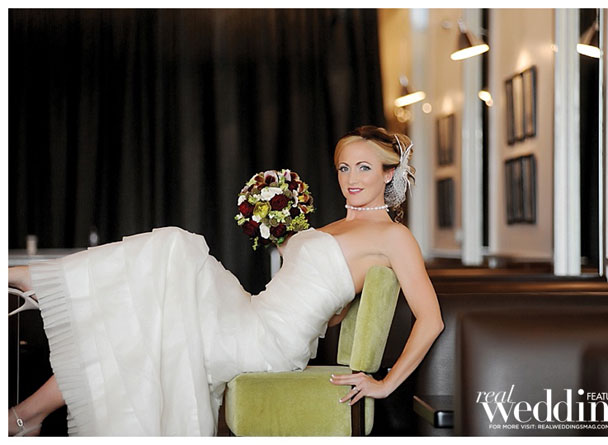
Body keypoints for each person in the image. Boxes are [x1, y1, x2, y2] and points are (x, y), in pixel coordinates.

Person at [8, 125, 444, 436]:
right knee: (140, 314)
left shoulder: (394, 236)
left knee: (175, 247)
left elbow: (431, 319)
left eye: (364, 168)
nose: (351, 179)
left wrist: (384, 384)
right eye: (344, 168)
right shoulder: (334, 227)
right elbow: (329, 310)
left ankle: (38, 288)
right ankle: (27, 415)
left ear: (389, 173)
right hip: (254, 312)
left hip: (268, 342)